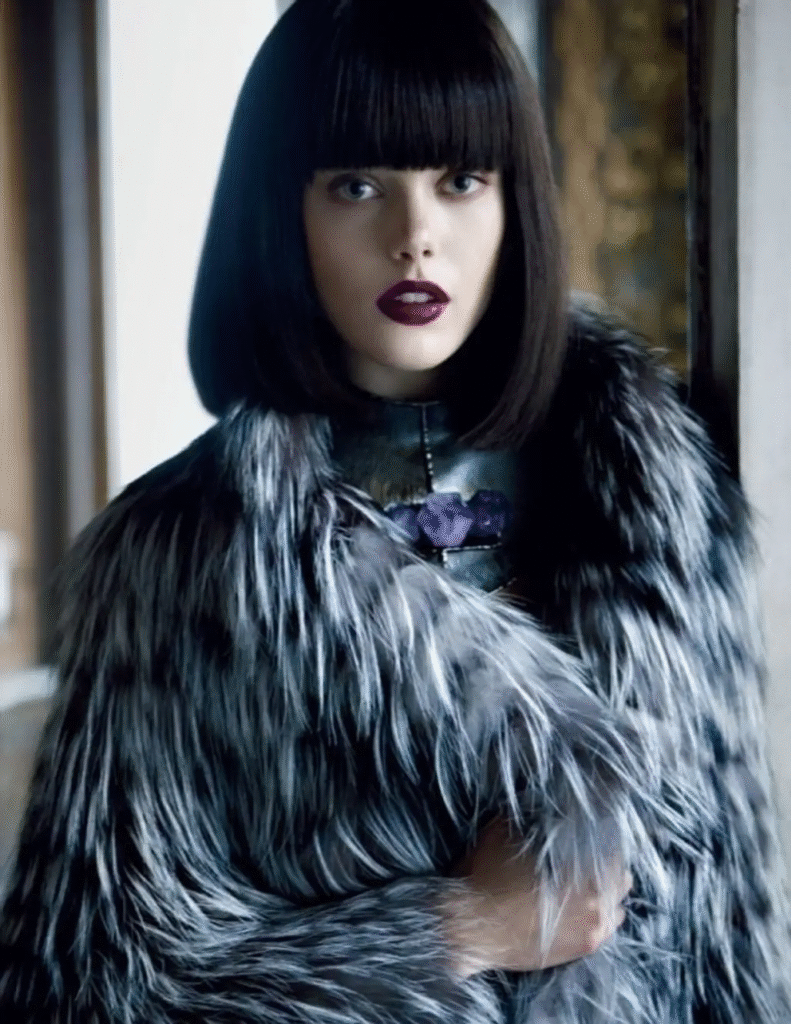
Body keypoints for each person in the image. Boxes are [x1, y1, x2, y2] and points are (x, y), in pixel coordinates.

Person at [1, 0, 789, 1020]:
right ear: (282, 209)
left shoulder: (654, 497)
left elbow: (731, 947)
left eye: (460, 181)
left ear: (513, 203)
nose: (415, 237)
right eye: (356, 185)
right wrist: (459, 928)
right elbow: (84, 984)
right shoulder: (178, 557)